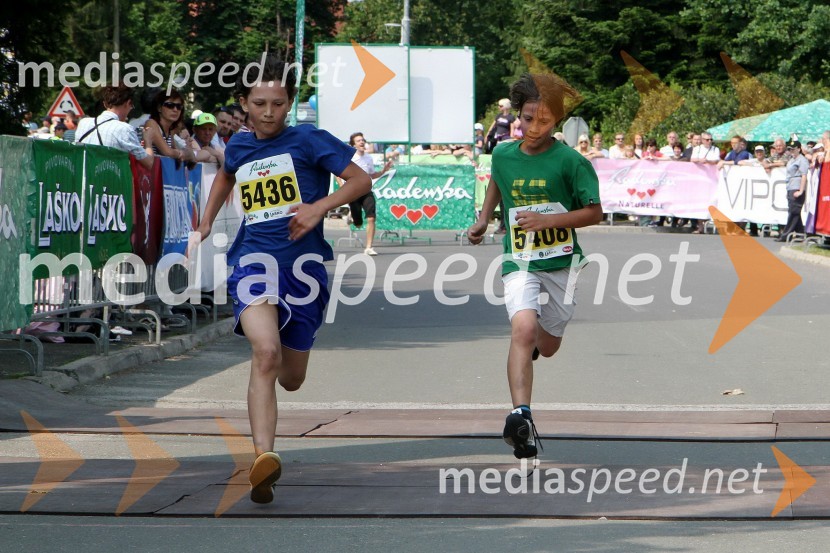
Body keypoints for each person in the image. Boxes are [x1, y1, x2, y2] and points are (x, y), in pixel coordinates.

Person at [194, 55, 372, 504]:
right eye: (259, 103)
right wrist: (205, 224)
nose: (269, 112)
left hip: (304, 271)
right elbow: (225, 179)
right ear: (244, 104)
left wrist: (318, 207)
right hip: (253, 262)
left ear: (290, 103)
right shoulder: (237, 144)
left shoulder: (310, 140)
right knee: (265, 353)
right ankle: (263, 459)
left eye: (278, 103)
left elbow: (361, 180)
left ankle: (265, 448)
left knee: (291, 377)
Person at [467, 73, 602, 460]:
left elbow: (594, 212)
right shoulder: (504, 154)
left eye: (542, 120)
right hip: (520, 257)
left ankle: (537, 347)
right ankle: (520, 416)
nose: (533, 127)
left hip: (562, 262)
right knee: (523, 329)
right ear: (517, 117)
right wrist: (483, 218)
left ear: (555, 121)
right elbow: (497, 181)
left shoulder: (571, 162)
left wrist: (549, 221)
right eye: (527, 118)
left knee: (549, 344)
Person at [75, 82, 154, 169]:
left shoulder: (83, 123)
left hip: (84, 180)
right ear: (128, 103)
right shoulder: (124, 129)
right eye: (131, 106)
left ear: (105, 104)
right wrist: (148, 142)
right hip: (108, 180)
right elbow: (149, 163)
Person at [346, 131, 392, 256]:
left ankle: (369, 247)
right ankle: (352, 216)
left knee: (371, 218)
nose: (361, 142)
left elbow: (372, 174)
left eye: (362, 140)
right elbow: (337, 173)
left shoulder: (368, 158)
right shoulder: (349, 157)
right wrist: (342, 186)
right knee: (358, 223)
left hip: (366, 190)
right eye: (358, 141)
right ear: (353, 145)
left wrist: (383, 171)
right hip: (354, 192)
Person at [143, 90, 196, 163]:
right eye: (170, 105)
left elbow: (174, 153)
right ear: (159, 108)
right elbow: (167, 152)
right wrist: (185, 154)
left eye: (179, 106)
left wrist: (187, 154)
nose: (175, 110)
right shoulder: (151, 124)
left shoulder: (170, 130)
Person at [777, 140, 809, 242]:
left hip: (797, 187)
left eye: (793, 149)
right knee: (795, 212)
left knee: (793, 212)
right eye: (790, 149)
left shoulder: (802, 160)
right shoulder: (791, 160)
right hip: (790, 187)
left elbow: (804, 175)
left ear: (799, 149)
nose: (791, 151)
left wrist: (801, 190)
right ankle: (800, 235)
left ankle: (785, 235)